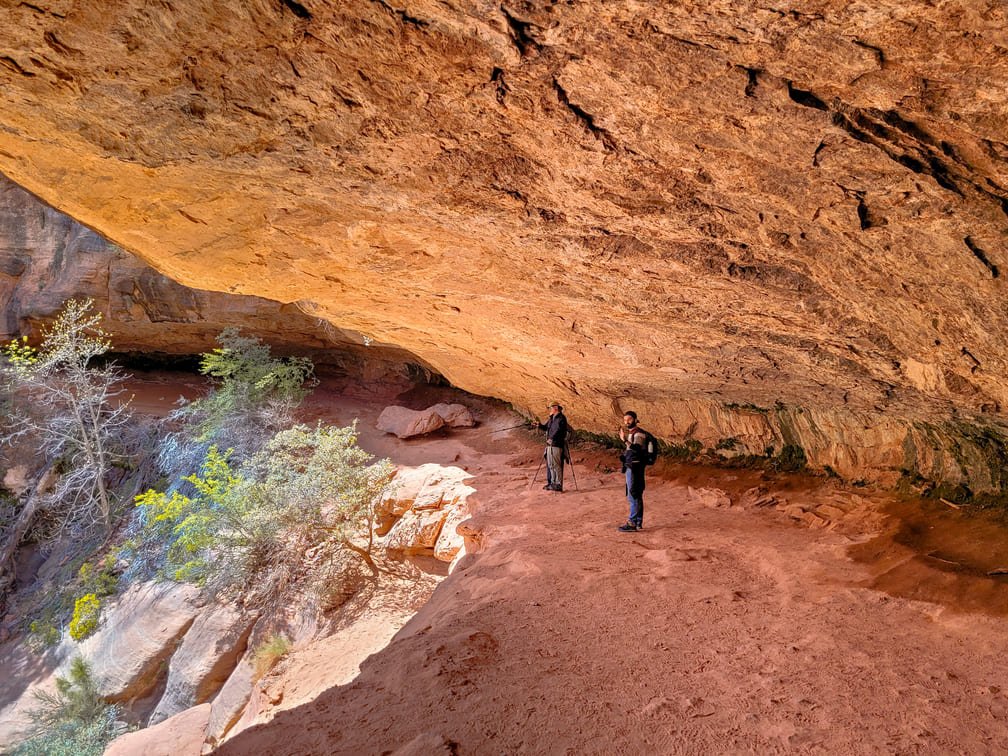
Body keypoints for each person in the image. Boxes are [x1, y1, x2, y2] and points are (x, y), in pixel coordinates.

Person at [618, 411, 647, 531]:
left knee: (633, 494)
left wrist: (624, 440)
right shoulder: (632, 433)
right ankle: (638, 522)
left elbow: (637, 450)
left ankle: (632, 523)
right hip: (631, 466)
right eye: (625, 420)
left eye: (629, 419)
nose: (627, 422)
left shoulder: (639, 434)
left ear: (635, 419)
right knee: (635, 494)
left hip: (635, 468)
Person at [536, 403, 569, 492]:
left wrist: (551, 438)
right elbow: (546, 427)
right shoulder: (552, 419)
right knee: (551, 465)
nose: (550, 410)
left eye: (551, 408)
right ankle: (553, 483)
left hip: (557, 445)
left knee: (556, 465)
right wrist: (539, 425)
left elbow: (559, 431)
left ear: (556, 408)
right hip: (550, 445)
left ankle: (558, 484)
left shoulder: (561, 418)